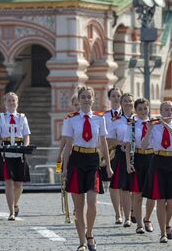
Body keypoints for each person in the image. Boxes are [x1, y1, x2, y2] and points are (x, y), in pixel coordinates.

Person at [62, 86, 113, 251]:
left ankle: (90, 234)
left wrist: (109, 166)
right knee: (78, 206)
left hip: (92, 160)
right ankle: (82, 241)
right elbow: (68, 145)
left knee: (92, 202)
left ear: (93, 99)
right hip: (77, 159)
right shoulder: (71, 119)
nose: (85, 100)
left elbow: (104, 143)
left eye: (88, 97)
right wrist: (64, 168)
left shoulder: (100, 118)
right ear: (79, 99)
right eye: (82, 97)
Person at [141, 101, 172, 243]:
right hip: (158, 161)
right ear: (161, 111)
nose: (169, 112)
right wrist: (149, 129)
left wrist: (165, 125)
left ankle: (167, 223)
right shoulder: (155, 127)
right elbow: (144, 144)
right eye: (166, 109)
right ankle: (163, 232)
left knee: (171, 200)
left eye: (171, 109)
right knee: (160, 198)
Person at [0, 92, 31, 221]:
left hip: (19, 150)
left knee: (19, 183)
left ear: (17, 103)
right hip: (6, 150)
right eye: (9, 100)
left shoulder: (22, 117)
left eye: (13, 100)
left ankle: (15, 204)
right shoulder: (0, 117)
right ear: (5, 103)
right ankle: (11, 212)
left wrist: (25, 147)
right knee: (8, 182)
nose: (11, 103)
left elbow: (26, 135)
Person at [124, 98, 156, 234]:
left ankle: (147, 218)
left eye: (145, 108)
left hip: (152, 157)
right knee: (137, 194)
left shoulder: (155, 124)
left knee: (152, 194)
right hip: (137, 158)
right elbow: (128, 145)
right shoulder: (132, 124)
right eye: (140, 109)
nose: (143, 111)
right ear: (135, 111)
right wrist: (128, 163)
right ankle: (139, 224)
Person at [108, 92, 134, 227]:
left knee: (137, 186)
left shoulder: (140, 119)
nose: (128, 103)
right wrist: (120, 142)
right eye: (125, 101)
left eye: (130, 101)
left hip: (138, 155)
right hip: (121, 154)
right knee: (124, 186)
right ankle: (127, 217)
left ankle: (135, 212)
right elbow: (109, 139)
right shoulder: (116, 120)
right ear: (121, 104)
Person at [101, 87, 123, 224]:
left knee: (125, 184)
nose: (116, 98)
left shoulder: (128, 116)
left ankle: (126, 210)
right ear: (109, 98)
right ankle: (117, 213)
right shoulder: (104, 116)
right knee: (114, 184)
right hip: (110, 152)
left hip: (124, 152)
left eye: (118, 96)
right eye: (113, 96)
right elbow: (104, 137)